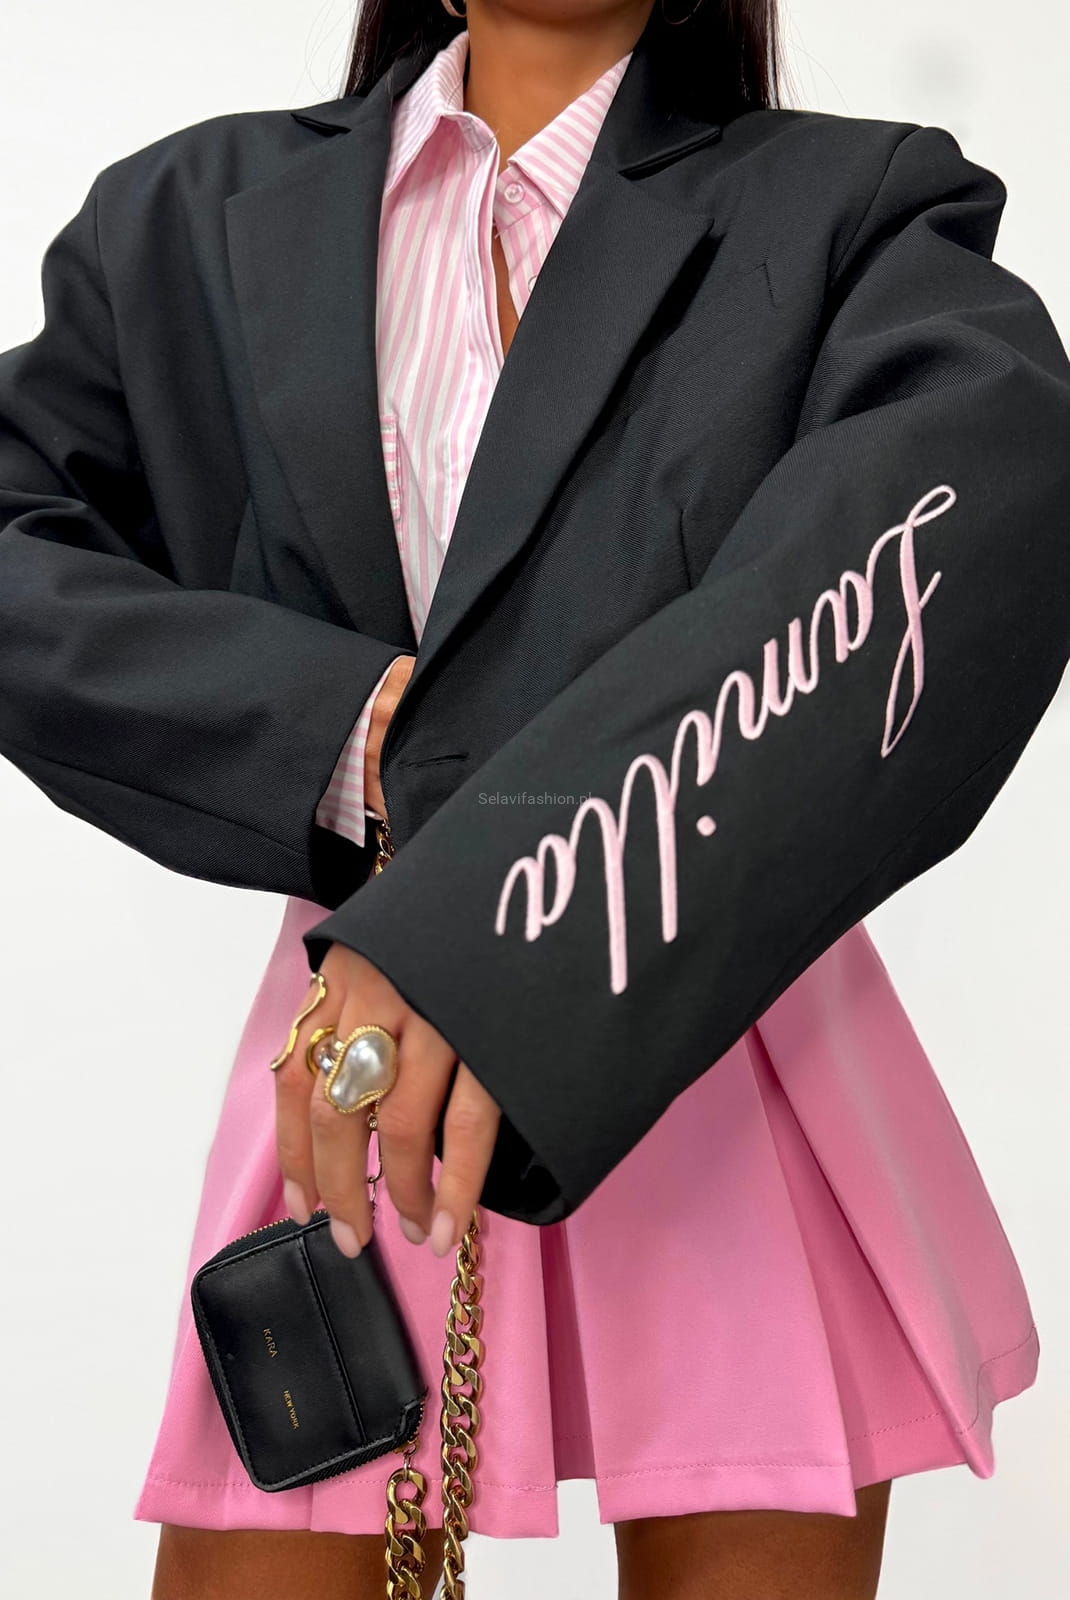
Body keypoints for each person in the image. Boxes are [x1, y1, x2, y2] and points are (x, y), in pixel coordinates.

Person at [2, 1, 1067, 1596]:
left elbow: (967, 523)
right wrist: (355, 735)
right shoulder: (186, 219)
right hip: (357, 1045)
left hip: (716, 1008)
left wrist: (476, 914)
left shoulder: (851, 210)